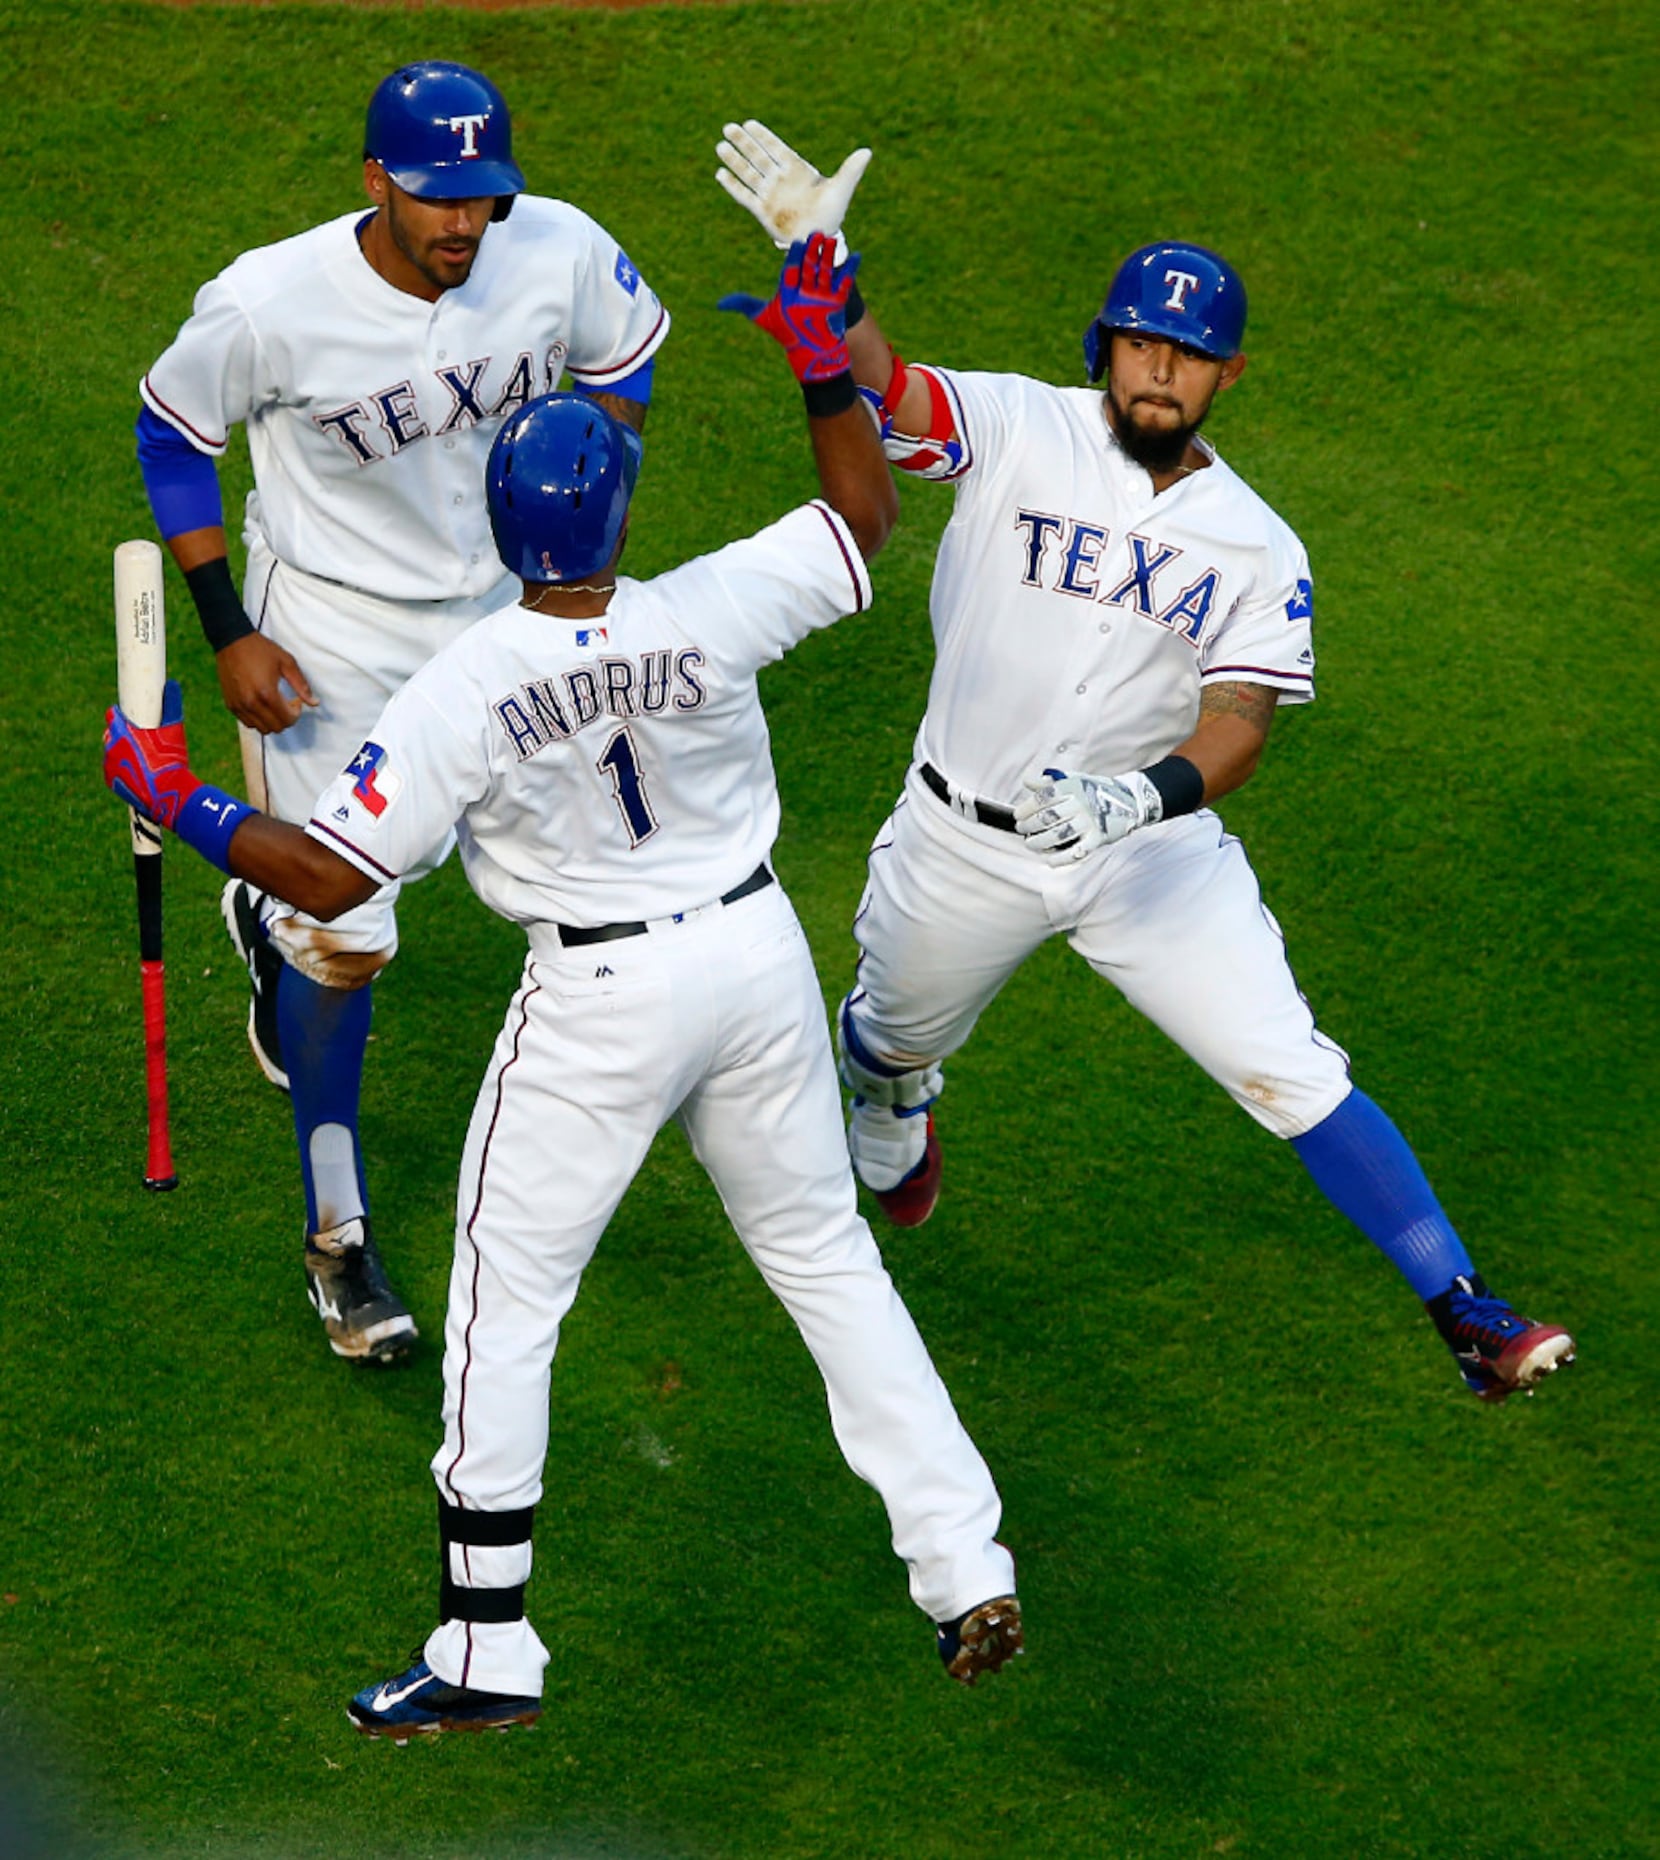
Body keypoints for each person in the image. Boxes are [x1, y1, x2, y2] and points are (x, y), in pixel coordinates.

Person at [104, 235, 1024, 1739]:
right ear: (617, 506)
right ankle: (961, 1561)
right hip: (755, 960)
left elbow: (332, 879)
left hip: (601, 1004)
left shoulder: (460, 686)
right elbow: (863, 516)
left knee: (505, 1299)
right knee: (823, 1260)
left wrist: (185, 796)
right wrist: (817, 363)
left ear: (496, 515)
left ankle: (484, 1646)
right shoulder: (705, 607)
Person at [714, 125, 1574, 1404]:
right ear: (1104, 347)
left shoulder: (1257, 544)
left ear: (1226, 375)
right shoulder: (1019, 427)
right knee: (886, 1046)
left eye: (1187, 353)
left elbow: (1239, 718)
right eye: (1140, 342)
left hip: (1147, 856)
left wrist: (1140, 794)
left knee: (1289, 1065)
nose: (1159, 368)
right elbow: (891, 394)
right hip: (962, 845)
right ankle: (896, 1100)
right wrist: (825, 270)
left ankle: (1462, 1308)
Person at [136, 61, 670, 1362]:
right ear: (374, 179)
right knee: (346, 936)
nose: (462, 227)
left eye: (484, 199)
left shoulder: (560, 251)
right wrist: (232, 636)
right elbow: (172, 435)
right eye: (436, 198)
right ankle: (338, 1241)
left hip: (508, 618)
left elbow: (626, 370)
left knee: (597, 880)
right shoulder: (267, 305)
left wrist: (582, 515)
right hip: (328, 642)